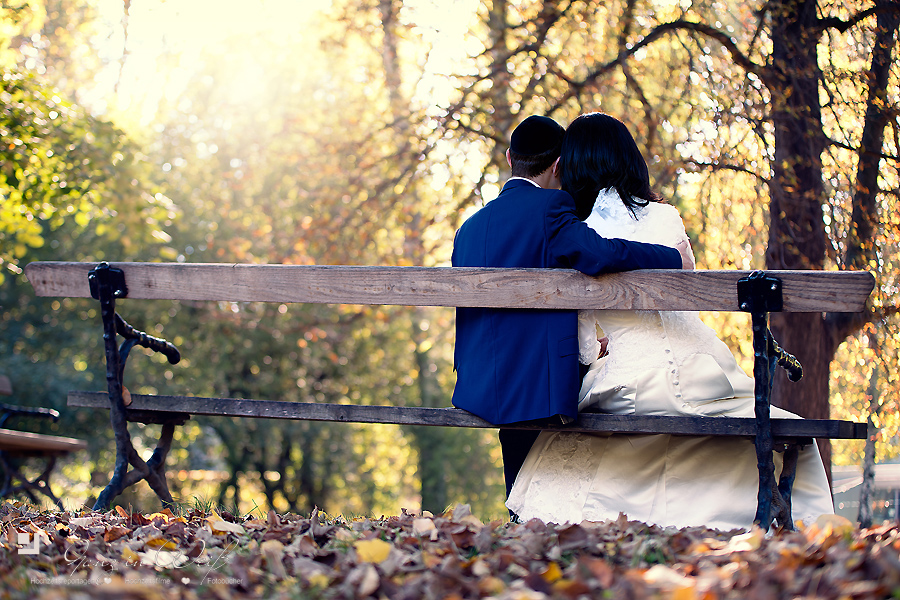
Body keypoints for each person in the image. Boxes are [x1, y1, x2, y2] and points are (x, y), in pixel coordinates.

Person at [505, 112, 835, 530]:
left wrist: (594, 353)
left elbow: (584, 335)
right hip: (704, 367)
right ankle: (792, 522)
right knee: (778, 423)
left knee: (571, 433)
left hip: (634, 381)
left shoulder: (578, 231)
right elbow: (686, 295)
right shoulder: (666, 218)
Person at [450, 115, 690, 503]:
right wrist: (671, 258)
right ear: (559, 165)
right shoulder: (551, 207)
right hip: (538, 383)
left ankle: (520, 512)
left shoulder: (469, 227)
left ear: (511, 158)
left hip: (481, 381)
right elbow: (600, 253)